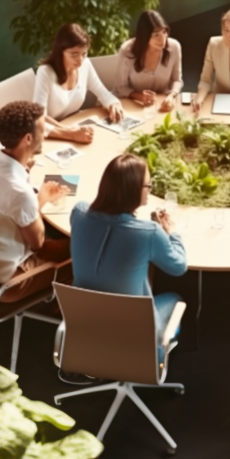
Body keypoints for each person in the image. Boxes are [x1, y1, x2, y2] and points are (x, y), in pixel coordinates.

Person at [68, 154, 187, 368]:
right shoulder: (149, 233)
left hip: (87, 332)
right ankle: (159, 351)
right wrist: (171, 233)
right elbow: (178, 266)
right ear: (133, 190)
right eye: (148, 185)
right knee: (176, 297)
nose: (150, 189)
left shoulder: (78, 212)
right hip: (137, 344)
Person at [0, 100, 72, 301]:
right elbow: (38, 244)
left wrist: (36, 199)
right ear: (28, 138)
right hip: (11, 282)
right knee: (82, 246)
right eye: (43, 130)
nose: (46, 133)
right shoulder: (19, 191)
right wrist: (40, 200)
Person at [33, 23, 124, 144]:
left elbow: (103, 93)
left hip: (74, 128)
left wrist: (114, 104)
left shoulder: (85, 65)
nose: (80, 60)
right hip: (52, 136)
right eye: (74, 54)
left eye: (84, 53)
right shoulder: (45, 72)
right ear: (61, 51)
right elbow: (38, 121)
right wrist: (70, 134)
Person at [118, 10, 184, 111]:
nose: (162, 39)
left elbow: (177, 80)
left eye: (164, 32)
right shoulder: (127, 50)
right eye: (156, 35)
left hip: (161, 105)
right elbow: (121, 87)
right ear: (144, 36)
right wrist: (139, 96)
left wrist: (171, 96)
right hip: (133, 105)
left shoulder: (174, 47)